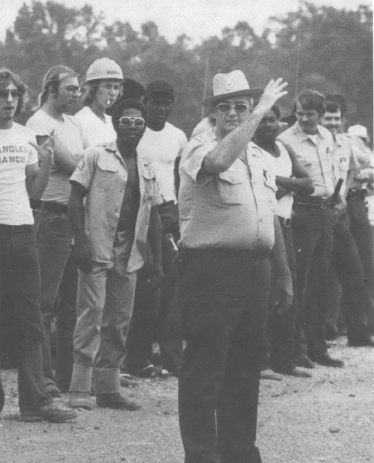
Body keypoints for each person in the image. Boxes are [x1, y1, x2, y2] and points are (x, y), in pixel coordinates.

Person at [177, 70, 291, 463]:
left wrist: (284, 274)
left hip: (255, 270)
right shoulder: (199, 145)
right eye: (223, 106)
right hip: (212, 271)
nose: (233, 113)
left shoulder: (258, 156)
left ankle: (240, 454)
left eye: (240, 106)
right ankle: (202, 456)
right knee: (205, 372)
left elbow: (269, 215)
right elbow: (219, 160)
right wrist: (259, 111)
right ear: (211, 113)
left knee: (245, 373)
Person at [0, 68, 76, 423]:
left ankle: (34, 400)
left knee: (29, 319)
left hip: (24, 231)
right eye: (2, 95)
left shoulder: (27, 136)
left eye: (14, 95)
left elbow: (34, 194)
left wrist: (44, 159)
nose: (9, 101)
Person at [67, 99, 161, 411]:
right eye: (126, 121)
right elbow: (75, 196)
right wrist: (79, 240)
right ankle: (80, 387)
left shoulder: (148, 165)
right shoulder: (95, 154)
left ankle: (107, 388)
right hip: (96, 246)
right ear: (115, 123)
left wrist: (156, 259)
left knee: (119, 319)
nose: (133, 127)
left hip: (128, 251)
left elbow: (153, 213)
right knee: (91, 314)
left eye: (138, 123)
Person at [278, 90, 371, 369]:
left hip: (326, 213)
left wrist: (337, 199)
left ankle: (318, 349)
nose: (304, 119)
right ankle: (295, 349)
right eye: (300, 113)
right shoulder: (286, 140)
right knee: (300, 281)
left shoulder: (328, 137)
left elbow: (332, 172)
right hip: (301, 211)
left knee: (321, 282)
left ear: (320, 115)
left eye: (310, 114)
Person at [26, 65, 85, 397]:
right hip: (48, 217)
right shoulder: (38, 123)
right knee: (44, 301)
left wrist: (79, 160)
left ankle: (64, 377)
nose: (76, 94)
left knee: (68, 304)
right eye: (71, 89)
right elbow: (76, 164)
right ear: (51, 90)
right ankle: (43, 379)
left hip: (71, 215)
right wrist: (79, 160)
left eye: (78, 89)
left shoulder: (73, 124)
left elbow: (84, 160)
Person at [124, 80, 187, 378]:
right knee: (145, 286)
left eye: (166, 102)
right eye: (155, 101)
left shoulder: (178, 136)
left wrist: (179, 214)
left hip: (169, 210)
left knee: (170, 288)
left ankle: (172, 357)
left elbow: (179, 175)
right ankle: (137, 357)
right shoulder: (138, 130)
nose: (160, 108)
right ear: (145, 101)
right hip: (143, 210)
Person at [252, 105, 314, 380]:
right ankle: (260, 361)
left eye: (273, 120)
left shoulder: (284, 149)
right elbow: (263, 193)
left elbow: (308, 183)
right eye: (263, 121)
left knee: (288, 291)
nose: (268, 125)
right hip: (265, 227)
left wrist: (280, 181)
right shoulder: (252, 151)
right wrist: (290, 185)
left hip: (286, 226)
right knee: (265, 293)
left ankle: (284, 358)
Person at [320, 98, 374, 336]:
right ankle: (330, 324)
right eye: (328, 118)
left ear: (343, 119)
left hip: (350, 200)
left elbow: (366, 166)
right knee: (331, 267)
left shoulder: (350, 141)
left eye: (336, 118)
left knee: (360, 263)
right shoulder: (318, 140)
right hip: (327, 204)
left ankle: (360, 325)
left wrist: (353, 181)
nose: (333, 122)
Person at [75, 58, 122, 148]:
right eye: (107, 86)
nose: (112, 93)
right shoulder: (80, 120)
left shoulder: (112, 122)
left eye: (116, 87)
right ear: (94, 88)